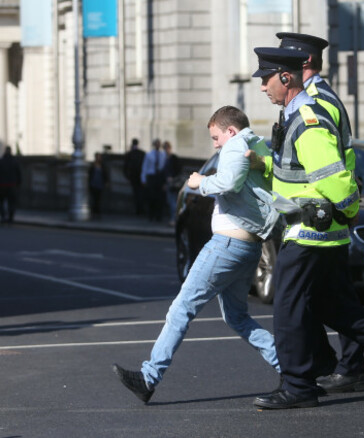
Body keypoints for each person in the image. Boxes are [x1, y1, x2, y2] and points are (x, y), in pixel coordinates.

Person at [249, 47, 364, 410]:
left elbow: (335, 178)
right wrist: (262, 166)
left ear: (286, 77)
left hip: (311, 232)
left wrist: (350, 210)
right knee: (330, 307)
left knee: (288, 308)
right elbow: (293, 171)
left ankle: (299, 387)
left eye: (266, 78)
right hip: (314, 231)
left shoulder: (307, 118)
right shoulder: (293, 114)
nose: (262, 86)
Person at [113, 105, 281, 403]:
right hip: (251, 247)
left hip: (226, 246)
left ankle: (149, 377)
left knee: (181, 308)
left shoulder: (234, 146)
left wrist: (199, 182)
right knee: (237, 317)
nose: (215, 144)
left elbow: (229, 182)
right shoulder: (258, 146)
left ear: (230, 130)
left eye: (216, 136)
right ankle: (291, 369)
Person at [276, 32, 364, 394]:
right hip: (327, 210)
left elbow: (325, 162)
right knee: (334, 298)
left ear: (303, 65)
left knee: (324, 300)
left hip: (322, 213)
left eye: (285, 64)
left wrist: (347, 206)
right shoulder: (316, 97)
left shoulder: (315, 101)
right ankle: (351, 364)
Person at [140, 138, 166, 221]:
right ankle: (151, 215)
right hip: (151, 177)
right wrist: (143, 179)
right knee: (151, 197)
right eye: (156, 144)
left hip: (159, 177)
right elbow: (145, 167)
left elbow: (164, 167)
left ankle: (159, 216)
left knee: (160, 198)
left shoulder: (163, 155)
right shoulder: (149, 154)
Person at [123, 138, 145, 215]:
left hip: (134, 176)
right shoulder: (141, 153)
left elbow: (125, 166)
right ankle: (140, 209)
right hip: (139, 176)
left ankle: (139, 210)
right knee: (140, 194)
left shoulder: (130, 154)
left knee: (137, 194)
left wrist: (127, 176)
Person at [162, 140, 182, 225]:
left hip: (173, 183)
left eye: (167, 148)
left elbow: (178, 170)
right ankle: (173, 218)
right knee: (170, 201)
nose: (166, 150)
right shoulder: (166, 159)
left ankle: (174, 219)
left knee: (172, 202)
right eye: (165, 148)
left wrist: (172, 178)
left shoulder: (173, 158)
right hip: (168, 183)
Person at [0, 146, 21, 224]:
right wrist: (18, 183)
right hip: (12, 185)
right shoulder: (15, 162)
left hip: (2, 185)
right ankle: (10, 217)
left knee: (1, 202)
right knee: (11, 202)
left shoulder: (1, 161)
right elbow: (19, 174)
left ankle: (3, 216)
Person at [87, 152, 110, 218]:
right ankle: (95, 212)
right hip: (93, 184)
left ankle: (96, 212)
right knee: (94, 199)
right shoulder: (93, 165)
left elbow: (105, 174)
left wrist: (106, 182)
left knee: (98, 199)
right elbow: (90, 174)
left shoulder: (102, 165)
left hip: (100, 184)